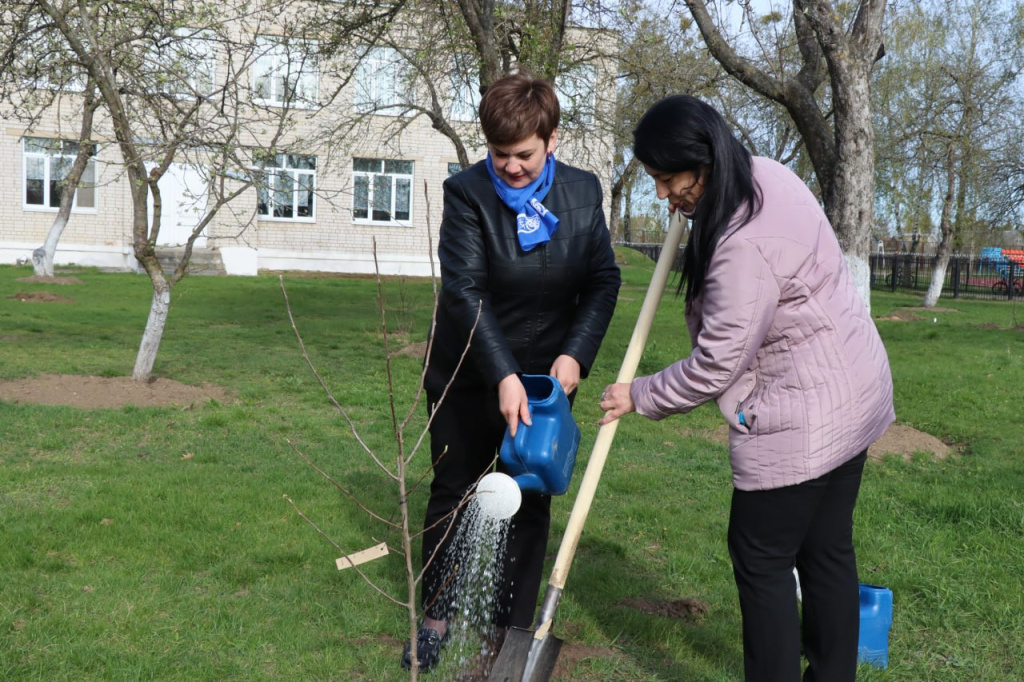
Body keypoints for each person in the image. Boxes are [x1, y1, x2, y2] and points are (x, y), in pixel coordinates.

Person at [598, 95, 894, 682]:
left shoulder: (739, 244)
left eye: (666, 178)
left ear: (702, 164)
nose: (661, 194)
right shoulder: (765, 173)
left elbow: (715, 363)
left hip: (806, 414)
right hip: (856, 387)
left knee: (761, 556)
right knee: (826, 548)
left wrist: (640, 394)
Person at [401, 72, 621, 672]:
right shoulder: (468, 193)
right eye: (499, 155)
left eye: (523, 154)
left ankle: (512, 630)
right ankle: (438, 617)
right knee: (455, 491)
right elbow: (465, 293)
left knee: (530, 496)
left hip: (549, 382)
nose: (510, 167)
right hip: (469, 372)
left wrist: (575, 354)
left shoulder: (582, 192)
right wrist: (501, 375)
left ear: (552, 140)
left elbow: (603, 281)